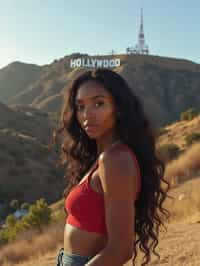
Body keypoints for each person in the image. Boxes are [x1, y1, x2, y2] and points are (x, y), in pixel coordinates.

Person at [51, 68, 170, 266]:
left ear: (119, 107)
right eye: (80, 107)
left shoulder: (115, 160)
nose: (87, 115)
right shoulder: (102, 157)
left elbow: (120, 250)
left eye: (99, 103)